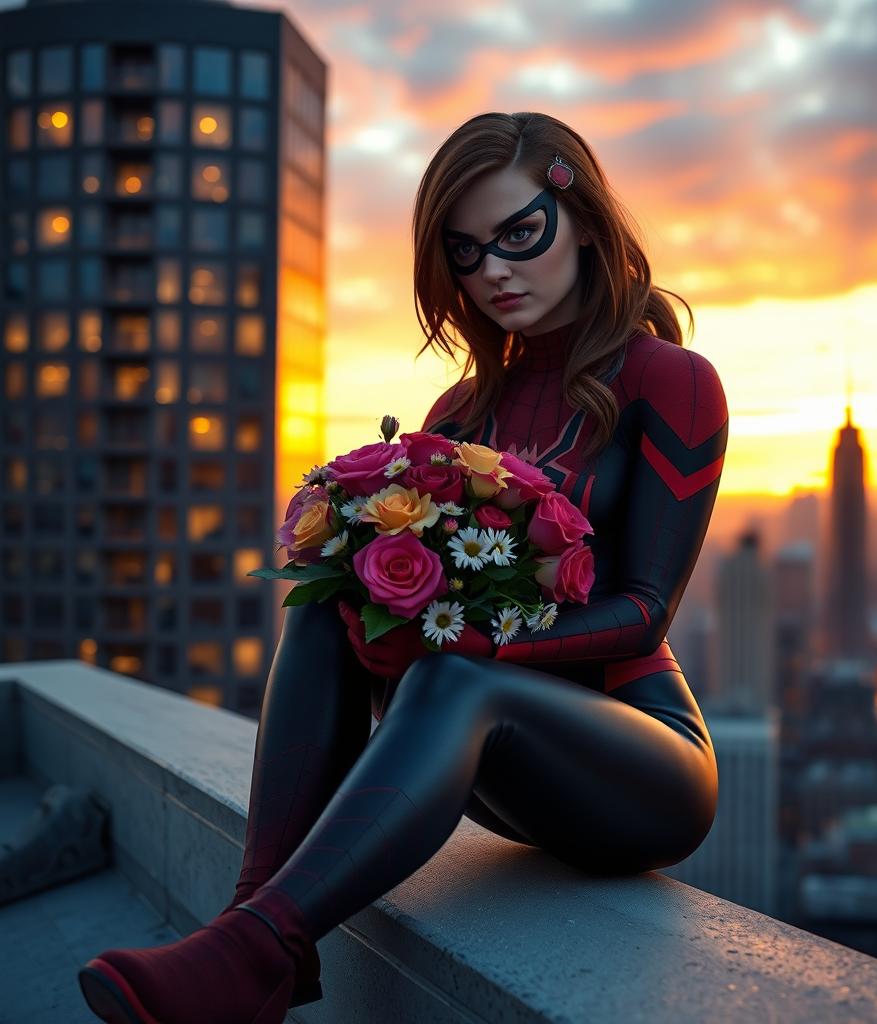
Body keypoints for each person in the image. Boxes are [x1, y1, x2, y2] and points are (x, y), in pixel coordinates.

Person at [77, 111, 728, 1024]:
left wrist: (468, 648)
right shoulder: (457, 412)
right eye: (465, 252)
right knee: (324, 597)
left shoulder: (670, 379)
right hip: (496, 766)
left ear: (580, 216)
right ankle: (251, 928)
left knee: (459, 675)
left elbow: (646, 610)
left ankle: (255, 947)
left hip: (643, 765)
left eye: (519, 234)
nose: (493, 269)